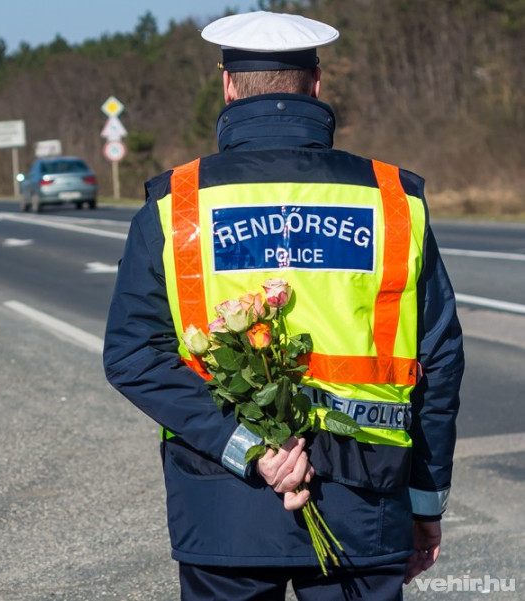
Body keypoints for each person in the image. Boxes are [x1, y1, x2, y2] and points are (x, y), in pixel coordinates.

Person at [103, 11, 464, 601]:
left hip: (225, 502)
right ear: (316, 83)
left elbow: (133, 355)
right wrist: (425, 503)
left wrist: (251, 449)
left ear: (228, 86)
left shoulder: (178, 204)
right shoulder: (393, 200)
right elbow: (439, 363)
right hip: (365, 503)